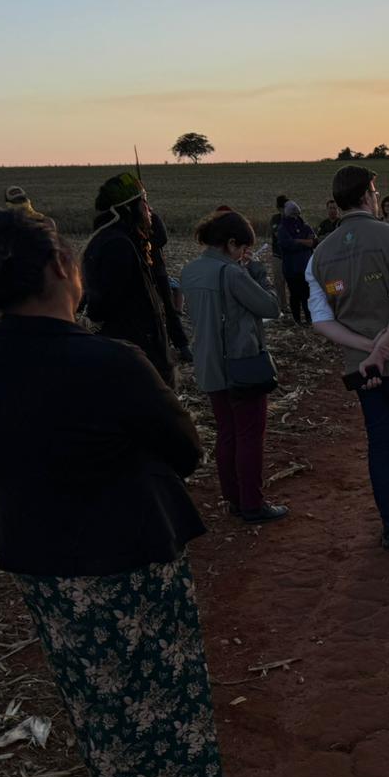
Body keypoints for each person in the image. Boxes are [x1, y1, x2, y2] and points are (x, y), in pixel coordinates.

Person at [0, 210, 221, 777]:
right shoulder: (108, 360)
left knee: (90, 683)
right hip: (122, 548)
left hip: (40, 553)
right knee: (146, 679)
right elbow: (185, 449)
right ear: (56, 267)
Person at [307, 165, 389, 550]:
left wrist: (368, 351)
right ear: (367, 195)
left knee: (379, 444)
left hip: (362, 368)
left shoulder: (319, 255)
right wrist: (384, 347)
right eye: (376, 190)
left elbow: (321, 321)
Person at [180, 209, 288, 524]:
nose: (243, 254)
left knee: (227, 434)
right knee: (250, 436)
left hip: (209, 367)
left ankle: (233, 500)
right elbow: (271, 307)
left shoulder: (190, 272)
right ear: (230, 243)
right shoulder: (233, 274)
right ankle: (253, 503)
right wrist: (257, 272)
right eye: (242, 248)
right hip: (241, 367)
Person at [82, 173, 174, 386]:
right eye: (144, 202)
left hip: (138, 350)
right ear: (127, 208)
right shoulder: (117, 245)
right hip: (135, 355)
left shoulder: (122, 239)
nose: (149, 209)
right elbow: (103, 305)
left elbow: (158, 234)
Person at [148, 210, 194, 363]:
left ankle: (182, 346)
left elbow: (162, 238)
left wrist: (145, 245)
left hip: (156, 270)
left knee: (169, 309)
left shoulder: (151, 217)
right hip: (146, 271)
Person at [276, 201, 316, 324]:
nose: (295, 216)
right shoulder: (282, 228)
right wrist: (304, 243)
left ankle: (309, 319)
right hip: (291, 268)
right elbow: (288, 244)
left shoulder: (305, 226)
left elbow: (313, 242)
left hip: (305, 267)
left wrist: (297, 241)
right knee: (295, 294)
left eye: (296, 214)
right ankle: (297, 319)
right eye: (293, 214)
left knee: (307, 294)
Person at [268, 194, 289, 313]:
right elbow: (278, 234)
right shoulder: (275, 219)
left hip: (289, 255)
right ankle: (282, 306)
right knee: (279, 282)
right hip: (278, 255)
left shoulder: (292, 218)